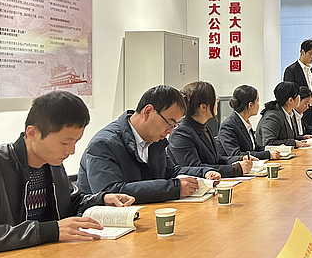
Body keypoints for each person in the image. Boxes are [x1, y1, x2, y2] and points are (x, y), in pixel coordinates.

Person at [0, 91, 135, 258]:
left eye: (76, 142)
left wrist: (102, 199)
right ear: (32, 133)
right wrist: (50, 231)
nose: (71, 151)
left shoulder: (52, 163)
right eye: (65, 143)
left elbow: (69, 203)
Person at [77, 85, 218, 204]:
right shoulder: (104, 144)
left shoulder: (155, 141)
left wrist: (204, 172)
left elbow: (171, 171)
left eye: (175, 126)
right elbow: (112, 192)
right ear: (148, 111)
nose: (170, 131)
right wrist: (174, 188)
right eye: (169, 124)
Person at [166, 81, 252, 178]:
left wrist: (240, 159)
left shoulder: (205, 127)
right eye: (215, 100)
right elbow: (195, 168)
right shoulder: (181, 133)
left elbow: (218, 160)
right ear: (203, 107)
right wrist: (235, 169)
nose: (217, 103)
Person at [217, 84, 282, 161]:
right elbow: (236, 154)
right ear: (250, 105)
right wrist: (268, 155)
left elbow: (255, 148)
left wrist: (275, 149)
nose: (259, 104)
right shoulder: (228, 125)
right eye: (257, 101)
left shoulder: (245, 122)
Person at [283, 39, 312, 134]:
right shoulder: (291, 70)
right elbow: (289, 93)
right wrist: (310, 98)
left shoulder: (311, 70)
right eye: (311, 54)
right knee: (302, 137)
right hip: (300, 112)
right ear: (302, 52)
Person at [255, 82, 308, 149]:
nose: (299, 97)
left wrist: (302, 138)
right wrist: (294, 143)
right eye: (298, 95)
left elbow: (287, 137)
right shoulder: (273, 116)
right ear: (290, 100)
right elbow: (269, 143)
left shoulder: (290, 113)